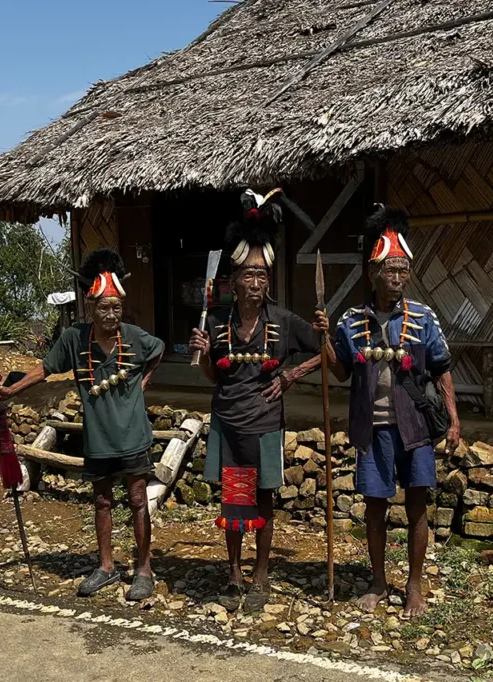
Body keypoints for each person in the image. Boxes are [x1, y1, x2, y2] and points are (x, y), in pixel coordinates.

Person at [312, 205, 460, 618]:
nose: (397, 278)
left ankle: (414, 587)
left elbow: (443, 369)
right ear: (374, 273)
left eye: (403, 270)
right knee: (375, 508)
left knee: (417, 507)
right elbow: (340, 372)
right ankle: (378, 581)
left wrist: (453, 421)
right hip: (373, 429)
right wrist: (324, 340)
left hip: (414, 429)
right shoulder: (349, 322)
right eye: (390, 270)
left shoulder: (424, 319)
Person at [0, 248, 164, 600]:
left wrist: (142, 383)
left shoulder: (133, 336)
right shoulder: (74, 339)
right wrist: (11, 390)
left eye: (116, 307)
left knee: (136, 498)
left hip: (133, 435)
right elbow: (46, 368)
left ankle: (144, 568)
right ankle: (105, 566)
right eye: (104, 307)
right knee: (101, 501)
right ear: (90, 307)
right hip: (99, 438)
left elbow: (158, 350)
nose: (111, 314)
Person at [188, 188, 322, 612]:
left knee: (263, 500)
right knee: (235, 499)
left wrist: (292, 373)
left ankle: (261, 573)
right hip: (229, 422)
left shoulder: (283, 321)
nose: (255, 283)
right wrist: (205, 352)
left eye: (262, 276)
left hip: (266, 424)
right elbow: (213, 377)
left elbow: (328, 347)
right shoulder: (215, 322)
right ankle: (232, 572)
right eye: (248, 275)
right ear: (233, 280)